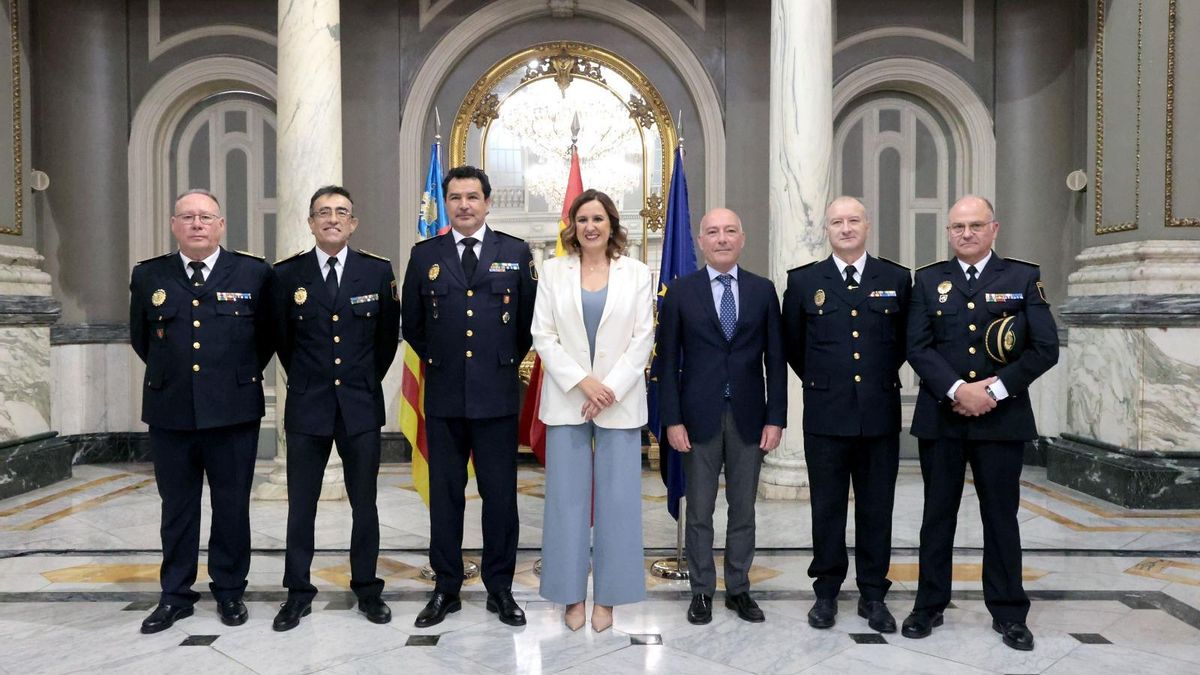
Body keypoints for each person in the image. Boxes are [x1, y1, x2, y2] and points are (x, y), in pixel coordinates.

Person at [901, 195, 1059, 651]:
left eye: (975, 225)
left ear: (994, 228)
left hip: (1002, 419)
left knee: (1000, 517)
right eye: (957, 227)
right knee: (937, 515)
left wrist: (994, 391)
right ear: (949, 232)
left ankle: (1009, 612)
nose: (966, 234)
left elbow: (1044, 348)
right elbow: (917, 346)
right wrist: (958, 390)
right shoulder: (928, 279)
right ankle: (928, 605)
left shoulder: (1022, 277)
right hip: (942, 417)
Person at [129, 189, 275, 633]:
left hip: (233, 412)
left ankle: (229, 591)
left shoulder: (253, 272)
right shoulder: (149, 275)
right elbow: (141, 339)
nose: (197, 224)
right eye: (188, 217)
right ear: (174, 225)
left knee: (231, 506)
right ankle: (175, 594)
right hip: (171, 410)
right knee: (177, 508)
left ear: (221, 225)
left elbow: (267, 338)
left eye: (206, 217)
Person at [401, 165, 537, 628]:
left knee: (500, 498)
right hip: (444, 396)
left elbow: (526, 325)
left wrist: (496, 362)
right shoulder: (425, 255)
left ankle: (500, 588)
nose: (464, 205)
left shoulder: (515, 252)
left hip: (496, 397)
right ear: (446, 203)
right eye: (456, 197)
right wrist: (444, 360)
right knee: (445, 497)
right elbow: (413, 324)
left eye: (472, 197)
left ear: (487, 202)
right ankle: (446, 587)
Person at [270, 185, 401, 631]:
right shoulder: (287, 275)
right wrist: (313, 380)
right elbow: (282, 341)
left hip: (360, 406)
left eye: (341, 212)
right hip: (308, 406)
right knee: (301, 505)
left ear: (353, 223)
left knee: (365, 504)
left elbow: (385, 342)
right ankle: (297, 592)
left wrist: (359, 381)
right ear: (310, 223)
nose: (332, 219)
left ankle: (367, 588)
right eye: (323, 212)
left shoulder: (376, 272)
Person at [781, 196, 911, 633]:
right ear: (827, 230)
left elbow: (903, 343)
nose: (846, 228)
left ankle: (874, 594)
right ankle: (826, 592)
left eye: (854, 220)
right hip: (826, 415)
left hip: (879, 414)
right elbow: (794, 347)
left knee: (877, 508)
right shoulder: (804, 281)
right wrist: (828, 381)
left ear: (867, 225)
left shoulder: (896, 278)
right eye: (837, 222)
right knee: (827, 508)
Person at [531, 189, 654, 632]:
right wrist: (583, 383)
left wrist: (609, 389)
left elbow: (643, 337)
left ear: (611, 224)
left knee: (618, 503)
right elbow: (543, 335)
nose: (590, 227)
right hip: (568, 400)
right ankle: (570, 595)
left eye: (598, 219)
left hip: (620, 403)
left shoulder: (636, 273)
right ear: (573, 226)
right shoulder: (552, 271)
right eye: (582, 219)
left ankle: (609, 598)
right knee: (566, 503)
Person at [656, 207, 787, 625]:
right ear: (701, 241)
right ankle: (701, 590)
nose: (722, 238)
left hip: (750, 418)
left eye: (730, 230)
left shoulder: (763, 290)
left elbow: (776, 361)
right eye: (713, 232)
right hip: (697, 419)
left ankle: (739, 588)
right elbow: (666, 363)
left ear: (742, 238)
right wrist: (672, 420)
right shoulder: (681, 292)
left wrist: (776, 418)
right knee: (699, 511)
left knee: (743, 509)